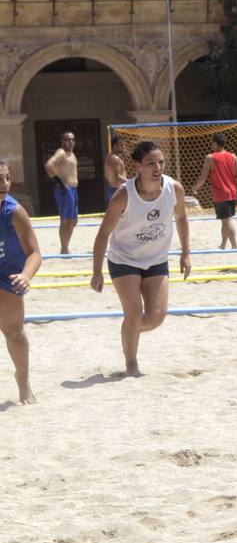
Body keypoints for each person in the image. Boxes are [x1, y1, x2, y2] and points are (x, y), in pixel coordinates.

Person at [90, 141, 191, 377]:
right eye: (151, 163)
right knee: (134, 313)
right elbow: (103, 234)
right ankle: (131, 363)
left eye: (161, 162)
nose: (158, 168)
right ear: (137, 166)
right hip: (124, 260)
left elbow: (182, 218)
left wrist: (186, 253)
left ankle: (129, 329)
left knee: (157, 317)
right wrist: (96, 271)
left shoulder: (174, 189)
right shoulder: (123, 195)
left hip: (156, 259)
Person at [0, 159, 42, 404]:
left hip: (8, 274)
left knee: (14, 332)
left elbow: (35, 254)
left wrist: (26, 275)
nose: (4, 183)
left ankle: (23, 379)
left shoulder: (14, 212)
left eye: (6, 177)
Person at [191, 134, 237, 250]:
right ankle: (223, 244)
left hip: (221, 194)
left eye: (212, 143)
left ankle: (234, 246)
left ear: (215, 143)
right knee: (225, 220)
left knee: (227, 220)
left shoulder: (210, 158)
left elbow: (203, 177)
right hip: (232, 193)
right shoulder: (233, 156)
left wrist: (196, 187)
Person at [44, 131, 79, 254]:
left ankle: (65, 247)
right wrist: (60, 182)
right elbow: (49, 165)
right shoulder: (61, 152)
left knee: (73, 220)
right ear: (62, 141)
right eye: (68, 140)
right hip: (65, 189)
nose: (71, 142)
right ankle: (64, 248)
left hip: (73, 190)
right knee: (66, 219)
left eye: (72, 139)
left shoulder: (72, 154)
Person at [103, 133, 128, 204]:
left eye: (124, 145)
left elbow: (106, 175)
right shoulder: (115, 159)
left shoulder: (108, 157)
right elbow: (117, 176)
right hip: (117, 190)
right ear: (115, 146)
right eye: (121, 145)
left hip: (112, 189)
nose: (124, 147)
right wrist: (130, 183)